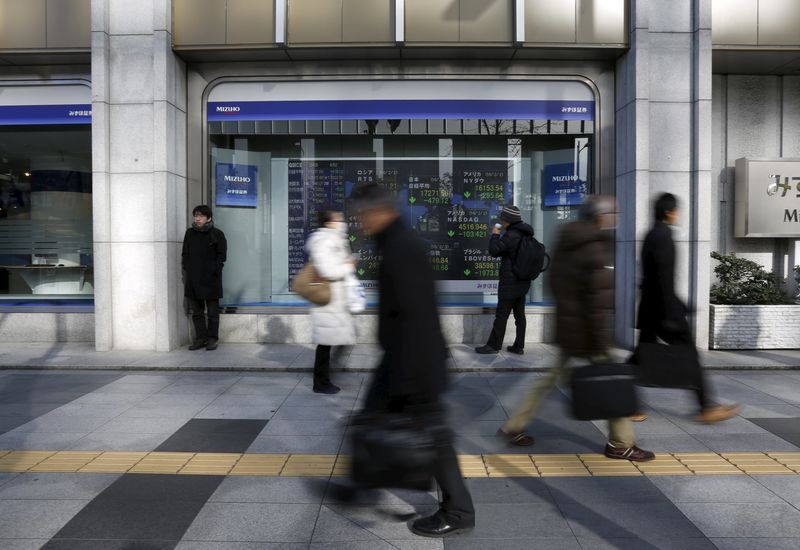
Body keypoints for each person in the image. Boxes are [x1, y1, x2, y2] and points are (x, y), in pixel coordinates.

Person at [351, 183, 475, 538]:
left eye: (362, 217)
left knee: (432, 438)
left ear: (379, 212)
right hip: (407, 361)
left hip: (413, 365)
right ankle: (362, 486)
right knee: (381, 425)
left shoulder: (401, 249)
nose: (360, 224)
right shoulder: (397, 244)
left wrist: (406, 381)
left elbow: (415, 317)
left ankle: (459, 510)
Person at [498, 196, 655, 461]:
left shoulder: (568, 238)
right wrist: (601, 338)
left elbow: (557, 284)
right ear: (599, 216)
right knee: (612, 385)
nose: (615, 217)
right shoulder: (593, 245)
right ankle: (620, 443)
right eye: (611, 212)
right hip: (588, 332)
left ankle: (513, 425)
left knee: (548, 381)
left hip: (570, 327)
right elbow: (596, 299)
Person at [636, 193, 740, 423]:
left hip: (652, 308)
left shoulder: (651, 234)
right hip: (664, 311)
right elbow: (663, 278)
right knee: (690, 356)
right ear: (668, 212)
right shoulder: (663, 236)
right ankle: (707, 407)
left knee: (639, 359)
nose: (678, 214)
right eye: (676, 210)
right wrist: (674, 311)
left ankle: (625, 404)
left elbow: (650, 278)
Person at [305, 209, 357, 394]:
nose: (342, 221)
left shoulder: (335, 239)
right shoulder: (323, 241)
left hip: (336, 300)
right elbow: (327, 270)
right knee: (326, 343)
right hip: (327, 299)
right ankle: (321, 382)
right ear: (328, 223)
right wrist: (347, 266)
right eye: (338, 219)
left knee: (336, 340)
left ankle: (325, 376)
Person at [475, 205, 533, 355]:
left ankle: (493, 345)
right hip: (522, 281)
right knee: (520, 315)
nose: (501, 221)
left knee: (501, 315)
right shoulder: (526, 233)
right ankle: (519, 346)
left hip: (510, 282)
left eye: (503, 219)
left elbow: (494, 251)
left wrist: (495, 234)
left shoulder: (512, 235)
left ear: (508, 220)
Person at [182, 205, 227, 351]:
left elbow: (222, 256)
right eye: (196, 215)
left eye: (201, 216)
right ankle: (200, 338)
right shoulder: (189, 233)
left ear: (209, 218)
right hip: (194, 279)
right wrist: (188, 269)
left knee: (213, 312)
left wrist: (214, 270)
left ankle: (212, 339)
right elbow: (185, 254)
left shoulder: (217, 234)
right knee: (197, 312)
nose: (197, 218)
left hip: (211, 279)